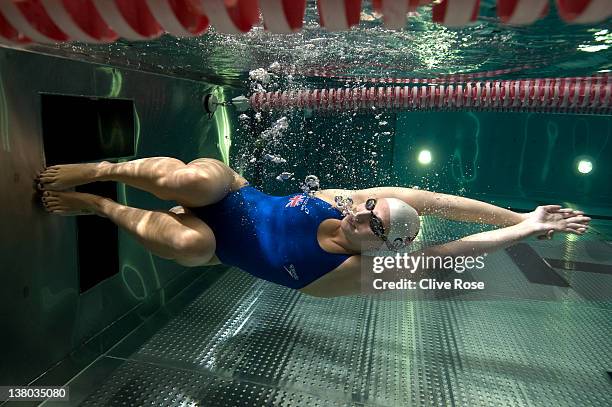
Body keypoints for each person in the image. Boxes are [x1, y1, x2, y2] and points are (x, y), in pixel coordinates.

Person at [36, 157, 590, 297]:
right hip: (229, 194)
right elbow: (444, 201)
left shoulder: (357, 270)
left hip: (213, 246)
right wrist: (522, 214)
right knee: (199, 185)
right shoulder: (342, 201)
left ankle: (97, 205)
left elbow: (457, 244)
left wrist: (519, 234)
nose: (361, 213)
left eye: (373, 223)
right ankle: (104, 170)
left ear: (386, 248)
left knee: (187, 240)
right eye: (370, 205)